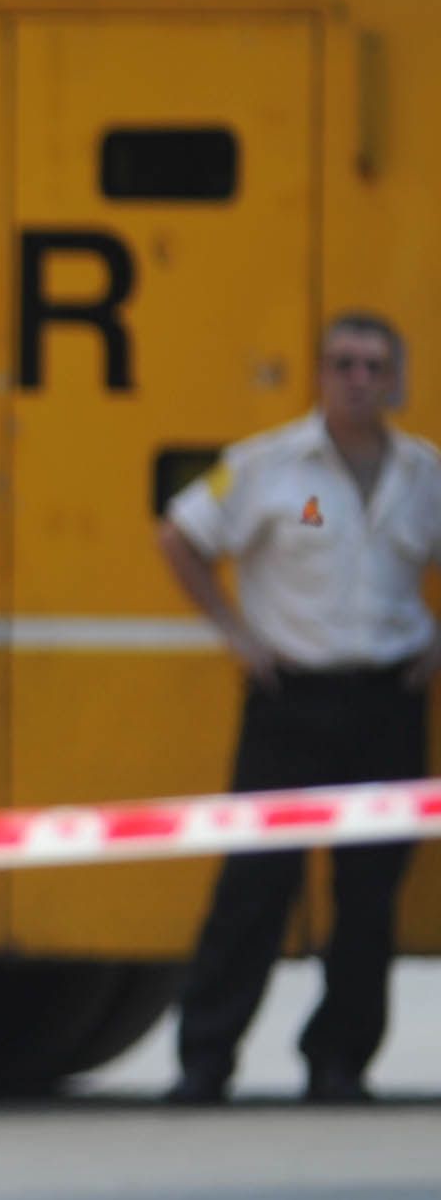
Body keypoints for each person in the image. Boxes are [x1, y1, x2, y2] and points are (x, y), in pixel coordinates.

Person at [158, 312, 441, 1106]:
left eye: (374, 366)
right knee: (255, 885)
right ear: (320, 374)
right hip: (292, 699)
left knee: (369, 895)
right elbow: (180, 535)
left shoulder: (424, 474)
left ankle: (339, 1062)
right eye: (344, 363)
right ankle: (205, 1059)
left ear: (396, 380)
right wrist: (237, 635)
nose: (358, 379)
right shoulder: (267, 466)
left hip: (388, 700)